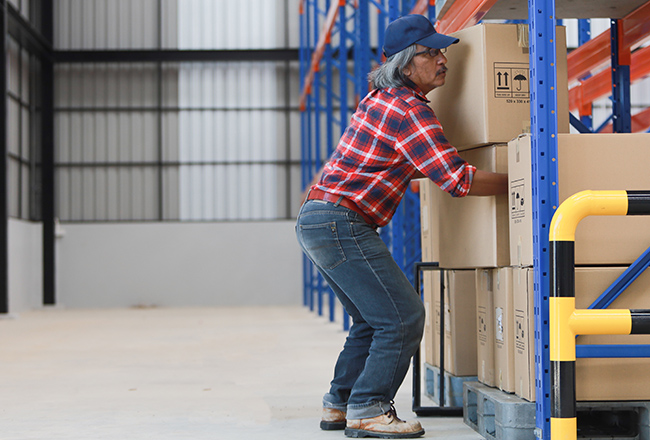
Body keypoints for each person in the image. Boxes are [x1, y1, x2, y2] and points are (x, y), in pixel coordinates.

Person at [295, 14, 508, 439]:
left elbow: (402, 166)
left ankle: (340, 403)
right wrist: (525, 178)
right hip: (342, 222)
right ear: (407, 64)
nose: (443, 59)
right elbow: (458, 181)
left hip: (319, 219)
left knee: (371, 321)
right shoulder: (410, 110)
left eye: (442, 51)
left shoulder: (379, 100)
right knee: (404, 317)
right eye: (432, 53)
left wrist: (443, 166)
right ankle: (370, 409)